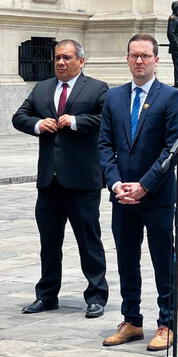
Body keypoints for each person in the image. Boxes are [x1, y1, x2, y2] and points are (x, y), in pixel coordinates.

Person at [98, 33, 178, 351]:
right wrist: (115, 182)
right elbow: (105, 145)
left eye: (146, 56)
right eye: (134, 55)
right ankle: (132, 321)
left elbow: (173, 149)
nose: (139, 61)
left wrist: (144, 185)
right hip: (122, 196)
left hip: (157, 197)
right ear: (127, 59)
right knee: (126, 260)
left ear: (156, 60)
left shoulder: (170, 98)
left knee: (163, 260)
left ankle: (167, 324)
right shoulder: (114, 97)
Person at [12, 39, 109, 319]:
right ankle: (46, 295)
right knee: (49, 242)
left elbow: (105, 119)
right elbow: (19, 116)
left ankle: (96, 295)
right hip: (49, 181)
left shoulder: (97, 88)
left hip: (82, 181)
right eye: (57, 58)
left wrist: (75, 121)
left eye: (66, 58)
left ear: (81, 60)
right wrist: (37, 124)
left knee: (89, 241)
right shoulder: (42, 88)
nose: (61, 63)